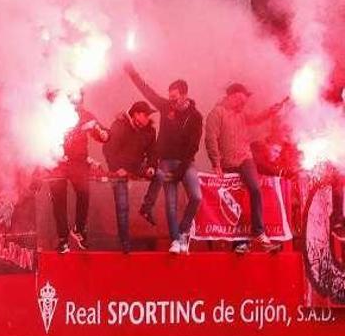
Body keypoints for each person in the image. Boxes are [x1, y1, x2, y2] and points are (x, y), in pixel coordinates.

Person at [124, 62, 203, 254]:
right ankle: (175, 240)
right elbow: (147, 91)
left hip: (185, 162)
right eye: (170, 97)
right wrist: (132, 72)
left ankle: (183, 231)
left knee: (196, 196)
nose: (171, 101)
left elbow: (193, 146)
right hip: (166, 160)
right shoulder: (166, 106)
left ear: (184, 94)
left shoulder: (195, 116)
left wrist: (180, 172)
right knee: (171, 203)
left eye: (175, 97)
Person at [205, 83, 286, 253]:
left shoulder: (241, 114)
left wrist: (271, 111)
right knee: (236, 201)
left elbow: (257, 118)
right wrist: (216, 163)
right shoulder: (217, 113)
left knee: (255, 189)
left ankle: (258, 232)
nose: (244, 102)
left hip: (245, 158)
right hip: (228, 162)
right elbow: (211, 138)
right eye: (242, 98)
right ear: (233, 95)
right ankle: (239, 243)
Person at [49, 91, 109, 253]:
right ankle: (62, 240)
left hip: (78, 162)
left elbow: (102, 133)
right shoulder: (53, 113)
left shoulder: (85, 115)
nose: (77, 104)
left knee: (84, 193)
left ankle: (79, 229)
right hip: (57, 163)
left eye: (79, 100)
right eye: (74, 100)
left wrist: (103, 134)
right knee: (59, 201)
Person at [102, 101, 158, 254]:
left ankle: (146, 208)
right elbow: (108, 149)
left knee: (160, 175)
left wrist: (152, 166)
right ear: (136, 114)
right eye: (145, 115)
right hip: (119, 169)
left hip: (137, 166)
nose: (148, 118)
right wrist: (116, 169)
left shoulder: (149, 131)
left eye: (148, 115)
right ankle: (125, 242)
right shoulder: (120, 125)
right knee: (122, 205)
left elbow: (153, 152)